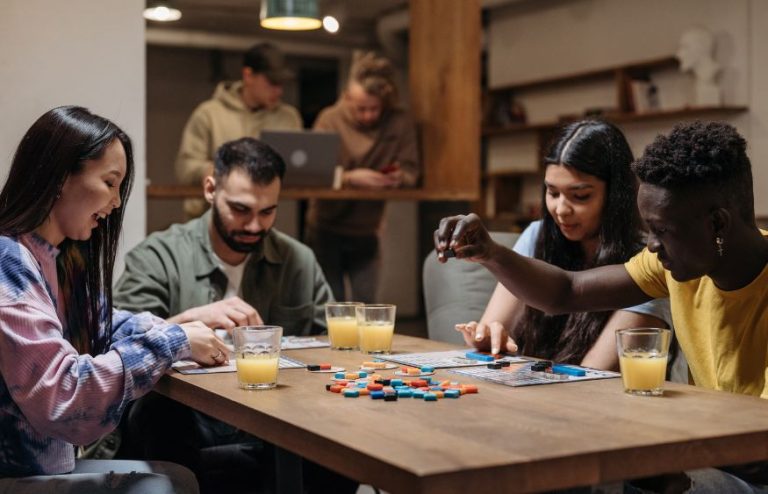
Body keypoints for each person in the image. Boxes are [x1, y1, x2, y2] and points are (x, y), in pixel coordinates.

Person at [436, 121, 768, 491]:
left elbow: (758, 453)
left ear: (717, 224)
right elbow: (568, 291)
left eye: (662, 231)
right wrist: (491, 252)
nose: (652, 246)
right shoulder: (675, 266)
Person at [0, 106, 227, 494]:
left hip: (44, 464)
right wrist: (174, 341)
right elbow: (66, 398)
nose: (117, 202)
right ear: (60, 178)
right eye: (110, 182)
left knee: (179, 476)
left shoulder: (56, 257)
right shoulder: (9, 262)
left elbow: (104, 325)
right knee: (168, 485)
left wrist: (179, 332)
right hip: (14, 473)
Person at [114, 137, 352, 494]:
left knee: (339, 443)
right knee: (158, 411)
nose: (255, 226)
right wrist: (190, 321)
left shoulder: (297, 260)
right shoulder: (157, 256)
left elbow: (330, 348)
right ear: (211, 189)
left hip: (274, 417)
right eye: (241, 210)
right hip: (189, 417)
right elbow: (115, 345)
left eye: (268, 212)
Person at [455, 120, 671, 371]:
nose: (561, 210)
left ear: (615, 194)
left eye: (580, 196)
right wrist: (487, 339)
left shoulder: (650, 260)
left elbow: (595, 374)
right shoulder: (537, 234)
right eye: (552, 193)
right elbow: (492, 332)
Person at [305, 52, 420, 302]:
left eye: (374, 109)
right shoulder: (329, 119)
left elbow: (412, 171)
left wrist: (397, 178)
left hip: (367, 229)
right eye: (361, 109)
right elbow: (312, 173)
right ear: (347, 98)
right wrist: (349, 178)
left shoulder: (399, 122)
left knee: (367, 307)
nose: (368, 115)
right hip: (326, 226)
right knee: (329, 307)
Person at [176, 42, 302, 219]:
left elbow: (299, 168)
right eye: (272, 82)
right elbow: (185, 169)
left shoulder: (289, 117)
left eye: (281, 83)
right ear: (248, 75)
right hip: (209, 221)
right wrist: (216, 170)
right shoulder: (208, 114)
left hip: (264, 223)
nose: (278, 90)